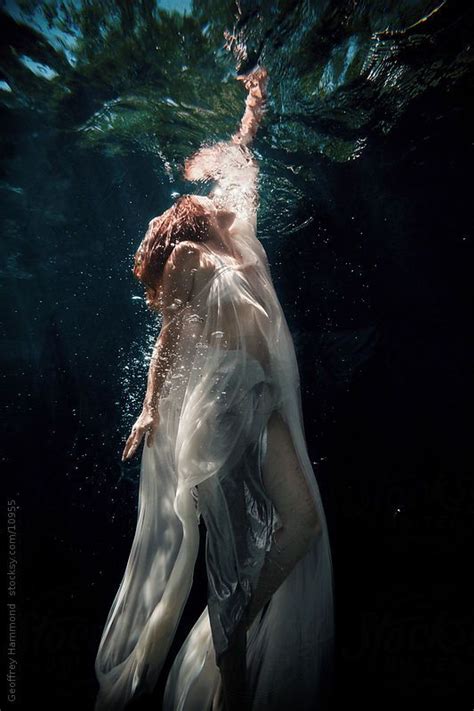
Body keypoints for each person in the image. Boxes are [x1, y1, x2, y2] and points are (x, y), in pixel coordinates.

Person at [94, 67, 335, 711]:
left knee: (302, 523)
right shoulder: (187, 259)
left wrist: (255, 102)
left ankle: (232, 630)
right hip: (222, 412)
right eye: (195, 201)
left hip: (256, 399)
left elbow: (241, 158)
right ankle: (230, 672)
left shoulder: (235, 234)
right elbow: (168, 339)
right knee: (230, 556)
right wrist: (149, 411)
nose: (204, 195)